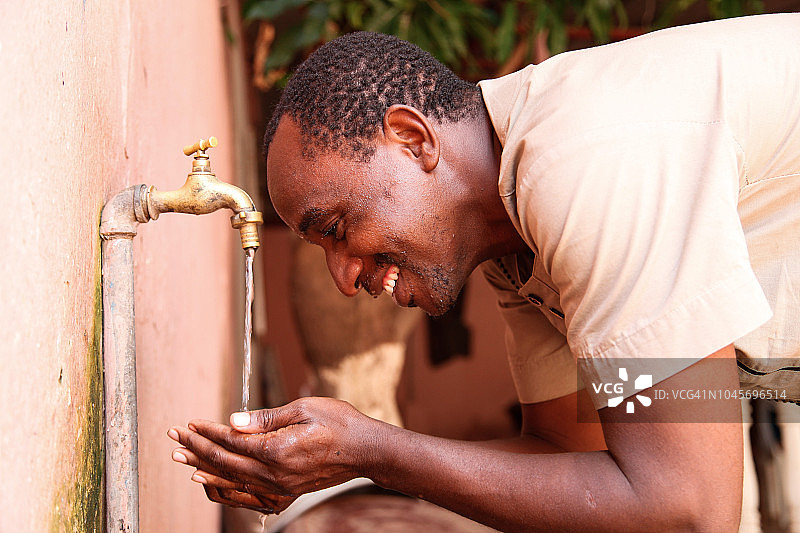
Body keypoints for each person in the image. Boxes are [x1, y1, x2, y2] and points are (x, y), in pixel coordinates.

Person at [168, 14, 800, 531]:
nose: (343, 277)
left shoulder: (582, 163)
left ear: (412, 139)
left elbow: (687, 508)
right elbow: (567, 455)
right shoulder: (514, 245)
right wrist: (357, 459)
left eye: (336, 227)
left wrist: (372, 450)